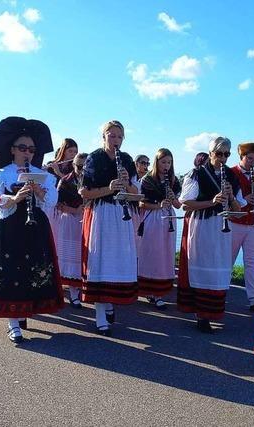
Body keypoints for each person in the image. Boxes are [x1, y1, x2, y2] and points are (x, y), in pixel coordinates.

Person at [0, 116, 63, 343]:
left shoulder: (41, 173)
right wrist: (14, 198)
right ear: (12, 149)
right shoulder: (2, 173)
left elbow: (52, 200)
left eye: (32, 149)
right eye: (23, 148)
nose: (28, 153)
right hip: (9, 226)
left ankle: (25, 310)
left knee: (31, 271)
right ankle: (12, 322)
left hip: (34, 228)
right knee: (10, 272)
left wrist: (40, 192)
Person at [79, 120, 139, 336]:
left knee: (118, 261)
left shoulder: (127, 159)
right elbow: (84, 193)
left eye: (119, 137)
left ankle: (110, 301)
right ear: (103, 136)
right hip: (101, 213)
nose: (115, 140)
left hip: (122, 214)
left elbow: (136, 193)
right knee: (100, 261)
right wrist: (109, 188)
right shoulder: (94, 158)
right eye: (111, 136)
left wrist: (127, 183)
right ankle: (100, 315)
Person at [177, 137, 244, 333]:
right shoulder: (197, 173)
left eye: (227, 154)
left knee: (218, 269)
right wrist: (212, 201)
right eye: (219, 153)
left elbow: (238, 209)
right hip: (202, 226)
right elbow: (186, 204)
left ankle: (211, 312)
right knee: (202, 268)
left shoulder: (231, 175)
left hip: (222, 229)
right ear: (211, 153)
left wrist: (230, 197)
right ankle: (201, 316)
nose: (223, 158)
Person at [137, 148, 181, 309]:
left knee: (165, 254)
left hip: (168, 218)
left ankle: (159, 292)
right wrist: (158, 205)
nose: (166, 165)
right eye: (163, 162)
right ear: (157, 162)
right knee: (152, 253)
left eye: (169, 162)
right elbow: (141, 203)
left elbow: (178, 205)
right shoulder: (147, 180)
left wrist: (172, 196)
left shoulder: (174, 180)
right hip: (152, 218)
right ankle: (150, 290)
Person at [230, 142, 254, 312]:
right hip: (235, 222)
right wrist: (245, 198)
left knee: (252, 262)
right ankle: (220, 292)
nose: (252, 162)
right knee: (227, 260)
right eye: (250, 158)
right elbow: (230, 200)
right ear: (242, 157)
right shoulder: (231, 173)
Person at [56, 152, 87, 308]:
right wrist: (74, 210)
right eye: (79, 166)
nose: (81, 169)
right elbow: (57, 204)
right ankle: (73, 293)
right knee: (72, 257)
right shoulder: (65, 181)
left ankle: (84, 290)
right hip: (70, 221)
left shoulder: (92, 180)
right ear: (73, 165)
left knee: (85, 256)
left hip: (87, 222)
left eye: (85, 166)